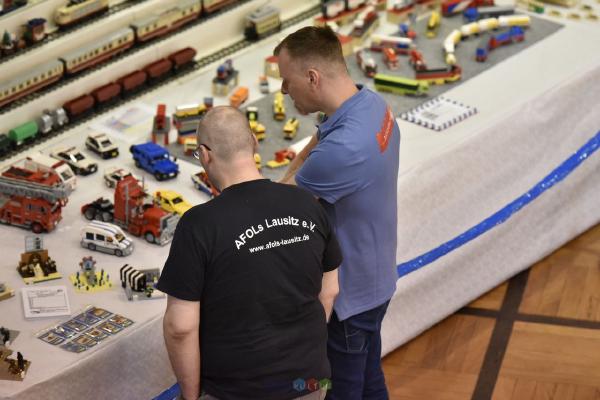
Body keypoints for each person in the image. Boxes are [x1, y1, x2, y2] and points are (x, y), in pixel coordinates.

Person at [158, 106, 342, 400]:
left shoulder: (199, 225)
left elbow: (180, 327)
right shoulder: (306, 203)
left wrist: (190, 396)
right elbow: (329, 291)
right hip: (309, 382)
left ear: (204, 155)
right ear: (254, 143)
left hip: (235, 390)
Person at [275, 26, 401, 400]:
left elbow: (282, 204)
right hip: (375, 278)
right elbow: (313, 148)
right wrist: (298, 170)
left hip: (347, 297)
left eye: (287, 80)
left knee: (340, 390)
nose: (283, 91)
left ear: (312, 77)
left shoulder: (344, 149)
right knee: (369, 378)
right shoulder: (371, 105)